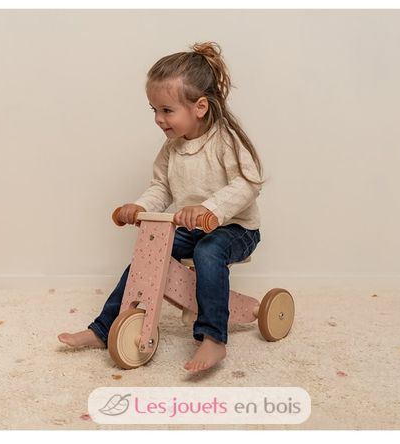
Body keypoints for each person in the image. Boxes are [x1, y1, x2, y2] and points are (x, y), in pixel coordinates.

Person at [58, 41, 264, 373]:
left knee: (209, 252)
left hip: (235, 229)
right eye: (153, 110)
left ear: (199, 107)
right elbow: (162, 187)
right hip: (191, 228)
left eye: (167, 110)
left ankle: (213, 338)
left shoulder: (225, 141)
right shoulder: (171, 148)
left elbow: (248, 184)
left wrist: (209, 209)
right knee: (149, 252)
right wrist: (138, 207)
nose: (158, 119)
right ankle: (104, 328)